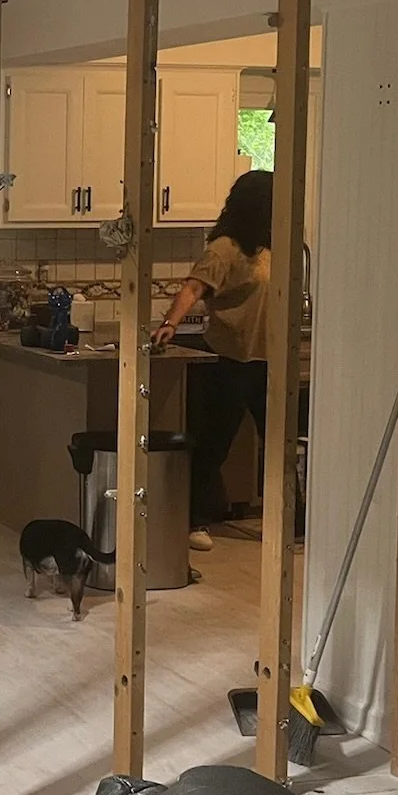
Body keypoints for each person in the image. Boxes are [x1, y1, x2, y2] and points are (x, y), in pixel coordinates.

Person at [152, 169, 272, 552]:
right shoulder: (225, 248)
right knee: (214, 444)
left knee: (282, 443)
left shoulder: (274, 245)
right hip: (230, 356)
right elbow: (193, 288)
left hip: (271, 359)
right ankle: (193, 521)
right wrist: (170, 323)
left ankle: (288, 518)